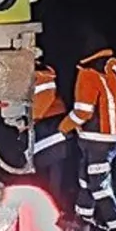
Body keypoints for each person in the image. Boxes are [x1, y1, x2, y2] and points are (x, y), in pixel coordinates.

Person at [58, 33, 116, 231]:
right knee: (87, 178)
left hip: (96, 139)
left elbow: (83, 112)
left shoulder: (88, 73)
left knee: (98, 185)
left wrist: (63, 128)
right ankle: (83, 219)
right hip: (115, 138)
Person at [30, 50, 73, 212]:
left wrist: (31, 119)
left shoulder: (42, 75)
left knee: (52, 171)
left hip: (50, 125)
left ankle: (53, 207)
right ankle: (52, 205)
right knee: (53, 172)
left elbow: (42, 100)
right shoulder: (38, 74)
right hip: (50, 126)